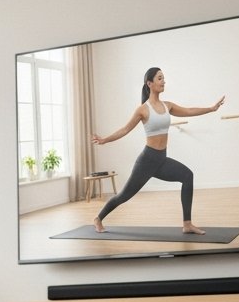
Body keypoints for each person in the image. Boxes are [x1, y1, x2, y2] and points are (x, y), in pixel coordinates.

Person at [90, 67, 225, 234]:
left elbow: (189, 111)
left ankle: (187, 224)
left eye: (164, 78)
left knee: (187, 176)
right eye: (160, 78)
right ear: (150, 83)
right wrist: (104, 140)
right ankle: (98, 218)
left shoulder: (167, 106)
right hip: (147, 161)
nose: (163, 81)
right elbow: (125, 129)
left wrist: (211, 109)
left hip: (161, 159)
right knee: (124, 196)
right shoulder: (143, 109)